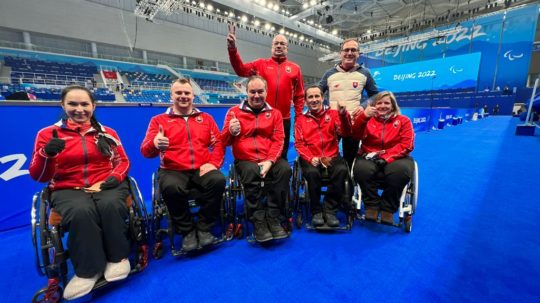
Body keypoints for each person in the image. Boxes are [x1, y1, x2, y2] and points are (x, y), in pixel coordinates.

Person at [29, 86, 131, 300]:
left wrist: (111, 180)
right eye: (73, 104)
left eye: (85, 104)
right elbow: (39, 176)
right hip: (68, 187)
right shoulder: (47, 134)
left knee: (110, 205)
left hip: (105, 182)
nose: (79, 109)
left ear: (93, 106)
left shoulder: (108, 133)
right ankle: (88, 271)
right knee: (81, 212)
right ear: (63, 105)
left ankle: (118, 258)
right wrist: (46, 154)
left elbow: (123, 161)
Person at [140, 78, 226, 251]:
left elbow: (218, 144)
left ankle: (203, 227)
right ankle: (186, 231)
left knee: (218, 180)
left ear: (193, 96)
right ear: (171, 96)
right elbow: (145, 151)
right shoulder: (159, 121)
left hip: (202, 167)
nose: (183, 96)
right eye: (178, 93)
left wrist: (214, 163)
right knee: (171, 187)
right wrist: (154, 144)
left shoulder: (206, 118)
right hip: (173, 170)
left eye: (187, 93)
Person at [222, 76, 291, 242]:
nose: (256, 95)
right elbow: (223, 141)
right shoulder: (233, 112)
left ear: (266, 92)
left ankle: (273, 216)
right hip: (246, 160)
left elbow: (278, 139)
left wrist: (269, 161)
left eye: (260, 91)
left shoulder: (275, 114)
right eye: (252, 91)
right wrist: (230, 131)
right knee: (251, 171)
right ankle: (258, 219)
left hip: (269, 157)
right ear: (246, 92)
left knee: (284, 169)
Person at [226, 24, 305, 160]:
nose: (279, 46)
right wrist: (232, 49)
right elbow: (241, 70)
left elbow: (299, 96)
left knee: (281, 155)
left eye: (282, 44)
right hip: (261, 117)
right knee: (259, 153)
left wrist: (298, 118)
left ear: (287, 48)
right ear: (272, 47)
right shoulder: (260, 64)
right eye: (276, 43)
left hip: (284, 120)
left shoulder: (295, 68)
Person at [351, 91, 415, 225]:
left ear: (393, 105)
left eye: (387, 103)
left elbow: (407, 144)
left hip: (397, 156)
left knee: (399, 172)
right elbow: (356, 136)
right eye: (379, 103)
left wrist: (387, 157)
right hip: (369, 154)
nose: (383, 106)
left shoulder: (404, 121)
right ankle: (372, 206)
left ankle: (387, 208)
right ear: (374, 106)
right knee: (361, 170)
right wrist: (363, 117)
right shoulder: (368, 120)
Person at [294, 86, 352, 227]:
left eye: (317, 96)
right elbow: (299, 144)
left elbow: (346, 132)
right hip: (311, 156)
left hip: (331, 155)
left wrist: (344, 115)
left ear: (322, 98)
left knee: (341, 170)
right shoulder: (301, 120)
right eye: (310, 97)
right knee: (312, 173)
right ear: (306, 101)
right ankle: (316, 211)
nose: (314, 100)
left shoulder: (333, 114)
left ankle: (330, 209)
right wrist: (310, 158)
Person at [319, 38, 379, 168]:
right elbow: (317, 93)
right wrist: (323, 110)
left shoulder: (365, 73)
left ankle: (349, 185)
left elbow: (375, 95)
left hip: (353, 122)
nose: (349, 53)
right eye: (346, 50)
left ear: (358, 54)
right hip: (332, 123)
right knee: (328, 156)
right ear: (341, 53)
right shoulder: (329, 73)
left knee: (350, 159)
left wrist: (363, 107)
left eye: (353, 50)